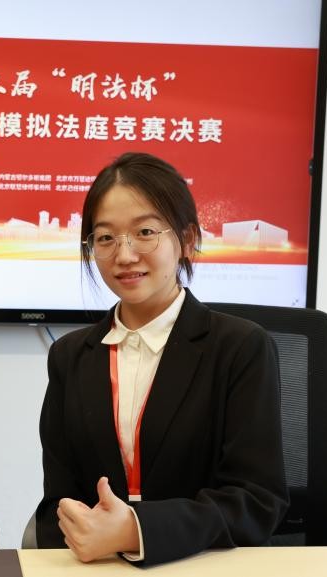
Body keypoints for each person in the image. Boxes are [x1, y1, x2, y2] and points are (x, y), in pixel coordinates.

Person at [35, 152, 288, 565]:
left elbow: (256, 501)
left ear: (187, 240)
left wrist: (136, 530)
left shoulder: (240, 347)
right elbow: (58, 501)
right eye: (105, 237)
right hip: (99, 567)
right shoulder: (70, 356)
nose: (124, 255)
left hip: (207, 564)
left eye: (145, 232)